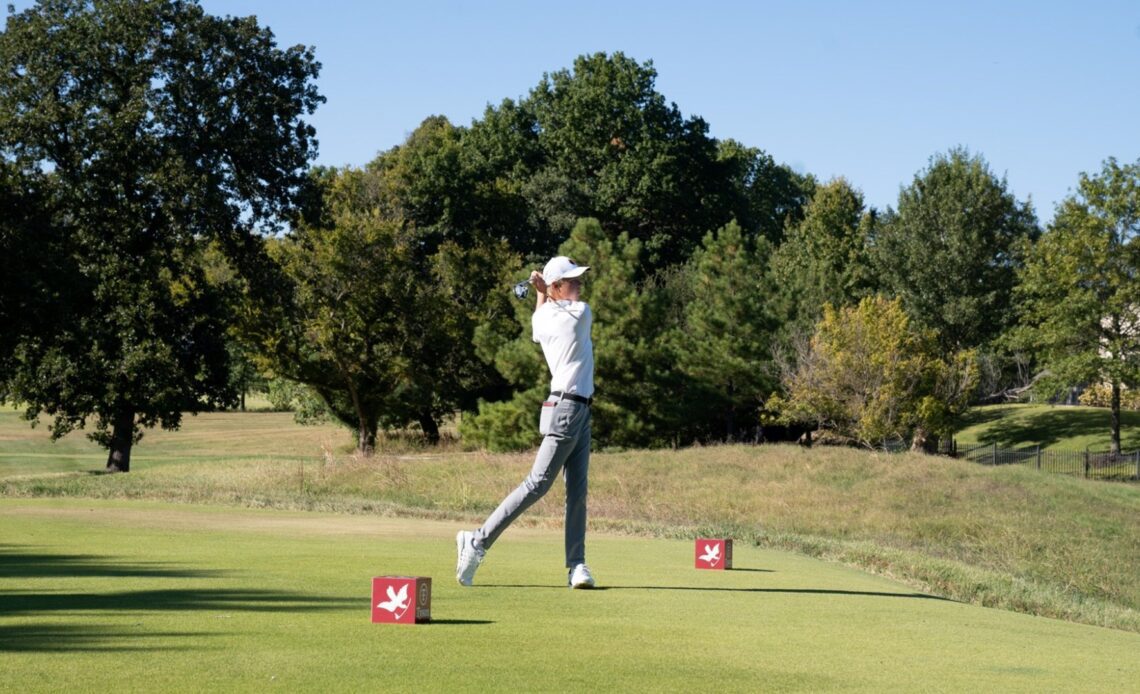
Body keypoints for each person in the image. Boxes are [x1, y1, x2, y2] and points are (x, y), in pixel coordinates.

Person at [456, 255, 596, 589]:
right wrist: (543, 291)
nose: (579, 286)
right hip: (566, 409)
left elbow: (537, 324)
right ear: (558, 286)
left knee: (577, 493)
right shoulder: (580, 313)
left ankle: (576, 565)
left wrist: (540, 293)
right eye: (572, 281)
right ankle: (476, 541)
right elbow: (549, 312)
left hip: (579, 410)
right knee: (537, 484)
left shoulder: (545, 316)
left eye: (579, 280)